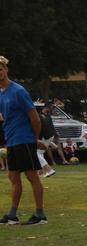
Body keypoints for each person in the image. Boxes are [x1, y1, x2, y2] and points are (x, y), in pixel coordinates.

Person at [0, 54, 47, 225]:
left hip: (24, 139)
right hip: (12, 140)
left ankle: (40, 215)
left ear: (6, 69)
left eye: (0, 69)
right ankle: (12, 215)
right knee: (13, 176)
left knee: (32, 176)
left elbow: (34, 117)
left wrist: (34, 139)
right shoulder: (1, 93)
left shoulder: (18, 91)